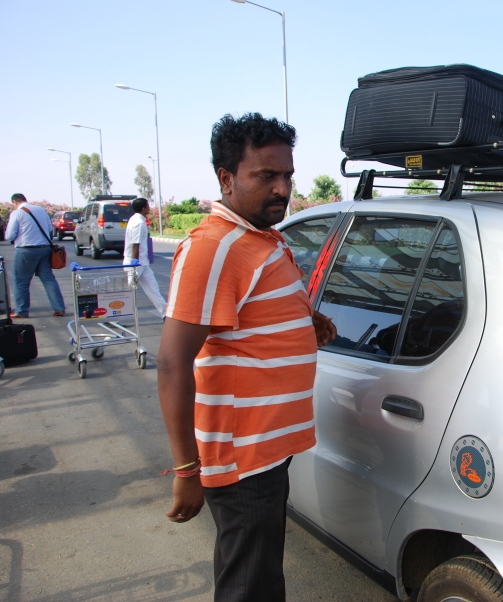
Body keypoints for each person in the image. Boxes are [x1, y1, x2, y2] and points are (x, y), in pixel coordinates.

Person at [156, 113, 336, 602]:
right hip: (242, 457)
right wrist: (187, 470)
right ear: (226, 178)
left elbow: (251, 309)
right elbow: (172, 363)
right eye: (266, 176)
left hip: (266, 448)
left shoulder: (262, 235)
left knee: (259, 578)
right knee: (250, 587)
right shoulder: (213, 248)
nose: (283, 189)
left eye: (287, 176)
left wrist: (307, 319)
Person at [4, 193, 66, 318]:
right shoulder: (41, 210)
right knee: (48, 279)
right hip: (44, 249)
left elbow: (10, 235)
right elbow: (50, 230)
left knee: (21, 281)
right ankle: (59, 308)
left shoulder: (17, 213)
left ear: (15, 202)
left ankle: (21, 311)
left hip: (26, 250)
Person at [123, 197, 168, 318]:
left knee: (153, 289)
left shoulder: (135, 219)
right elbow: (135, 244)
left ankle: (165, 315)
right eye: (148, 206)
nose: (149, 208)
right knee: (128, 290)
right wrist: (134, 263)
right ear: (143, 209)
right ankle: (111, 311)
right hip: (136, 264)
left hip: (143, 263)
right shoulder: (139, 223)